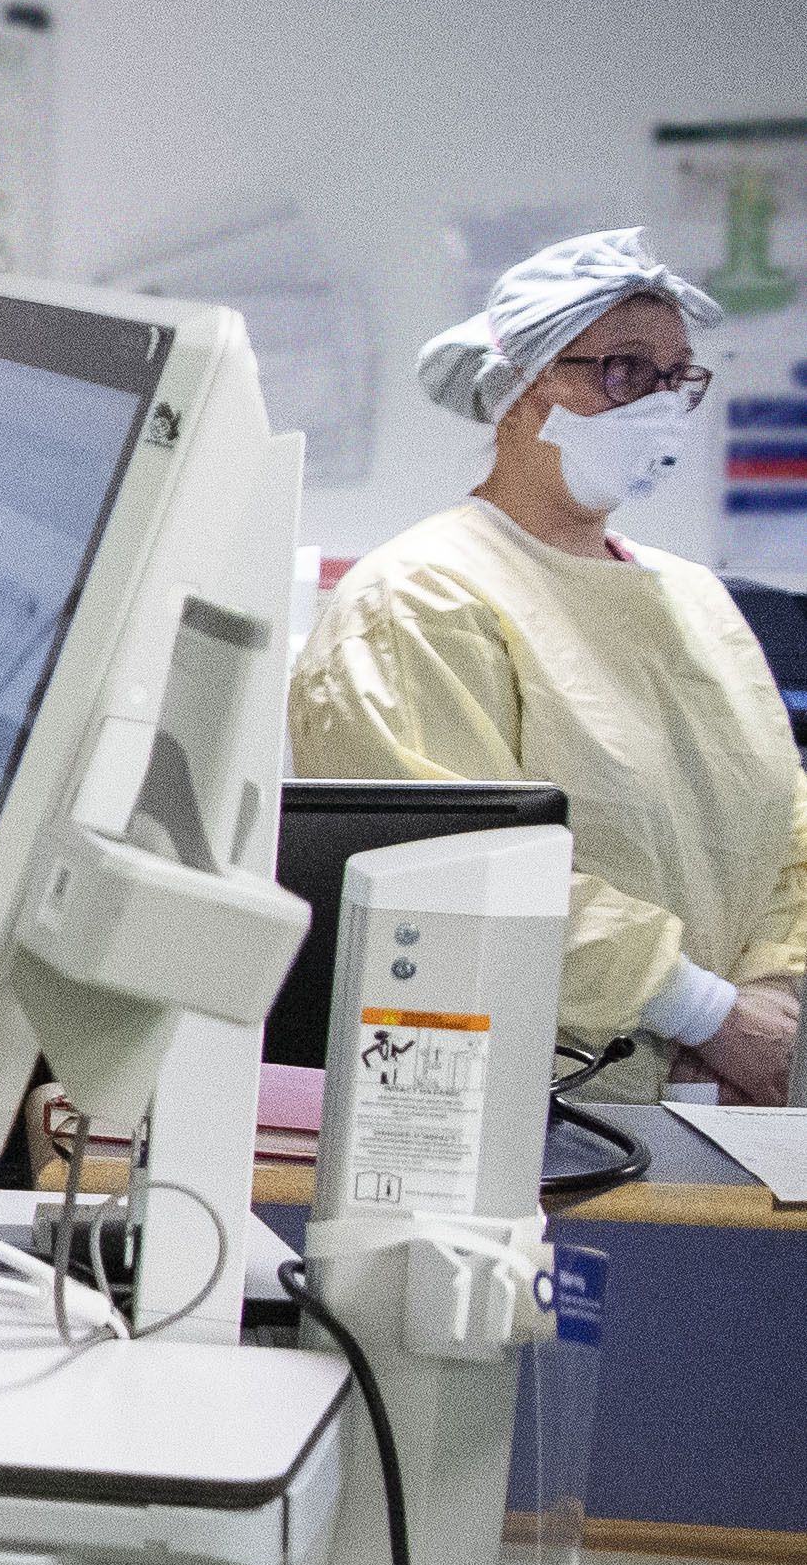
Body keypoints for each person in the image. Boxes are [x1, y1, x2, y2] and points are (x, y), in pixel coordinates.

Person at [293, 229, 807, 1103]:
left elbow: (784, 834)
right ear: (525, 386)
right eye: (623, 368)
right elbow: (450, 870)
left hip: (733, 1098)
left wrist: (768, 999)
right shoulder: (419, 599)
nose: (659, 401)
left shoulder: (694, 599)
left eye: (677, 375)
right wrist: (702, 1014)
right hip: (527, 1119)